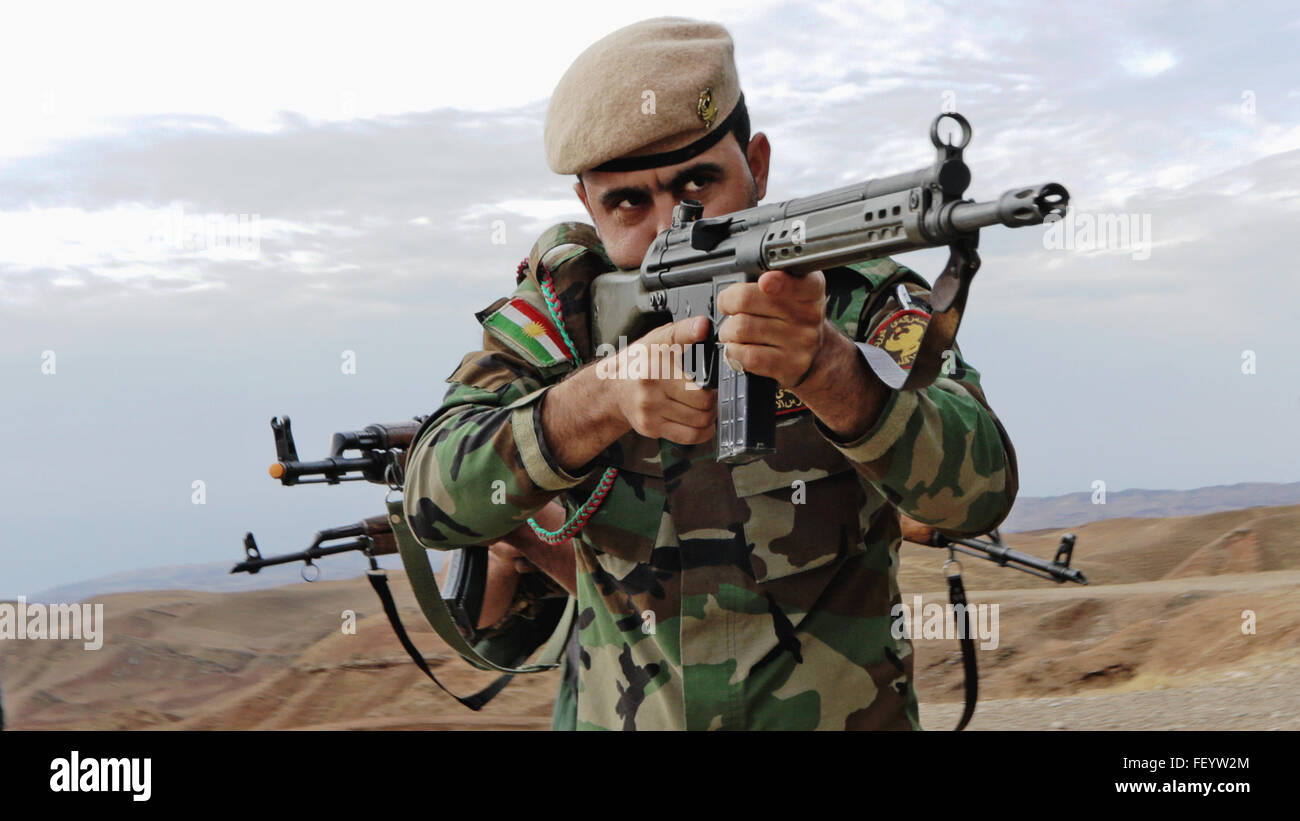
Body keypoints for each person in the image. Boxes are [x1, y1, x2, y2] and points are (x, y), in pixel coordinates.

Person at [402, 17, 1018, 730]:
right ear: (586, 207)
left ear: (756, 162)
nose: (671, 226)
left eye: (698, 181)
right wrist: (594, 402)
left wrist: (831, 371)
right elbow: (433, 497)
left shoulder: (853, 297)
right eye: (628, 201)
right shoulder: (562, 315)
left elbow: (978, 494)